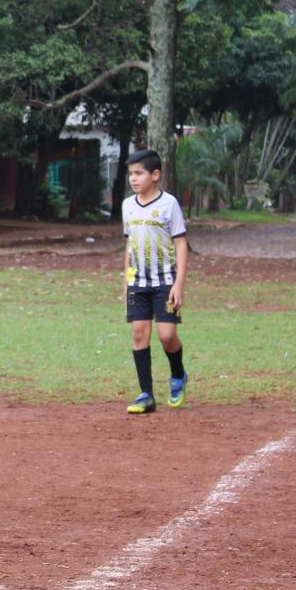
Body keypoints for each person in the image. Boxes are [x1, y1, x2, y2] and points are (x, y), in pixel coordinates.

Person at [121, 148, 190, 414]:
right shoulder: (128, 205)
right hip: (138, 282)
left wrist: (179, 283)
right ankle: (146, 394)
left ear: (156, 175)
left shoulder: (169, 204)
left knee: (167, 335)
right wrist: (125, 281)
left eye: (139, 173)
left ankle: (178, 374)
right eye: (131, 174)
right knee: (139, 335)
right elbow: (129, 245)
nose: (133, 179)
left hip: (165, 281)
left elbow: (181, 242)